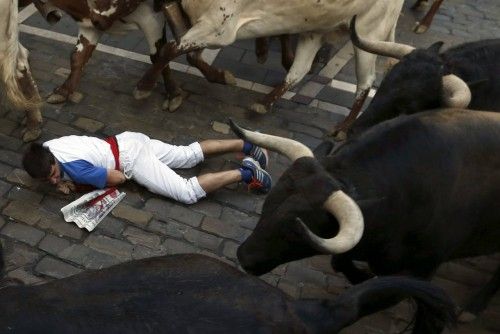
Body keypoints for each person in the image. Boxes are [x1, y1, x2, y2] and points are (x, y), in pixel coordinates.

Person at [22, 131, 272, 204]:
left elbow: (118, 178)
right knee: (187, 155)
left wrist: (75, 185)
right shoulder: (46, 147)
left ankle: (247, 173)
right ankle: (247, 146)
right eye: (47, 181)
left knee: (186, 192)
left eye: (54, 175)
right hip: (129, 139)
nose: (53, 181)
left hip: (130, 159)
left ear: (54, 162)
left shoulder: (74, 169)